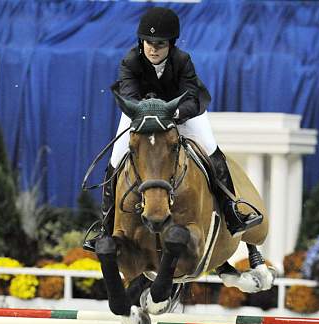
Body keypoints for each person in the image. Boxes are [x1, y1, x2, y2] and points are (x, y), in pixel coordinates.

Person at [85, 7, 261, 251]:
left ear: (171, 44)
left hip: (182, 114)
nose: (153, 48)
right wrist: (146, 114)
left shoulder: (182, 60)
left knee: (211, 150)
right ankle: (105, 226)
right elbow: (128, 94)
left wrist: (175, 114)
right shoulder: (130, 60)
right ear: (141, 41)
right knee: (115, 159)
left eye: (160, 43)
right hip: (141, 117)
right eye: (148, 42)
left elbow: (190, 96)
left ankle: (232, 210)